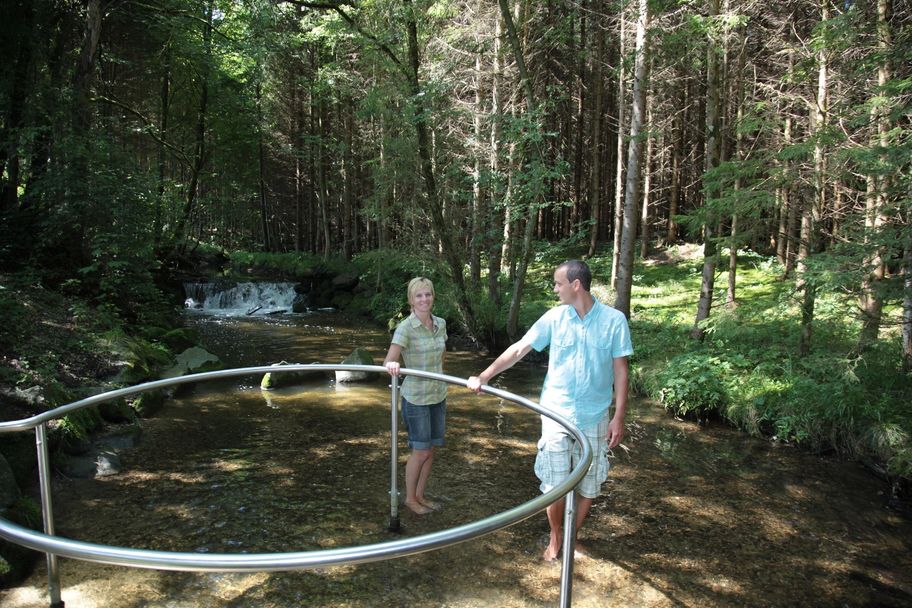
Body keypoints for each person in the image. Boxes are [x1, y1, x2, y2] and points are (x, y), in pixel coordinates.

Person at [467, 260, 632, 561]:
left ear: (576, 285)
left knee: (589, 485)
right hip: (556, 414)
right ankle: (557, 536)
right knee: (554, 485)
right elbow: (519, 349)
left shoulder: (614, 320)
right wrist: (484, 376)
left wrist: (619, 415)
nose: (555, 289)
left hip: (596, 416)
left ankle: (572, 536)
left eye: (558, 283)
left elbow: (621, 369)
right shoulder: (554, 318)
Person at [384, 277, 448, 515]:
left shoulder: (440, 323)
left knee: (431, 450)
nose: (424, 299)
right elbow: (389, 360)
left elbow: (442, 354)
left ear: (433, 296)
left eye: (428, 294)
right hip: (416, 398)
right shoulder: (405, 328)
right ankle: (410, 499)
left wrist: (440, 375)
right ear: (411, 300)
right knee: (420, 451)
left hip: (438, 394)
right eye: (419, 296)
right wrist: (393, 367)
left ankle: (421, 495)